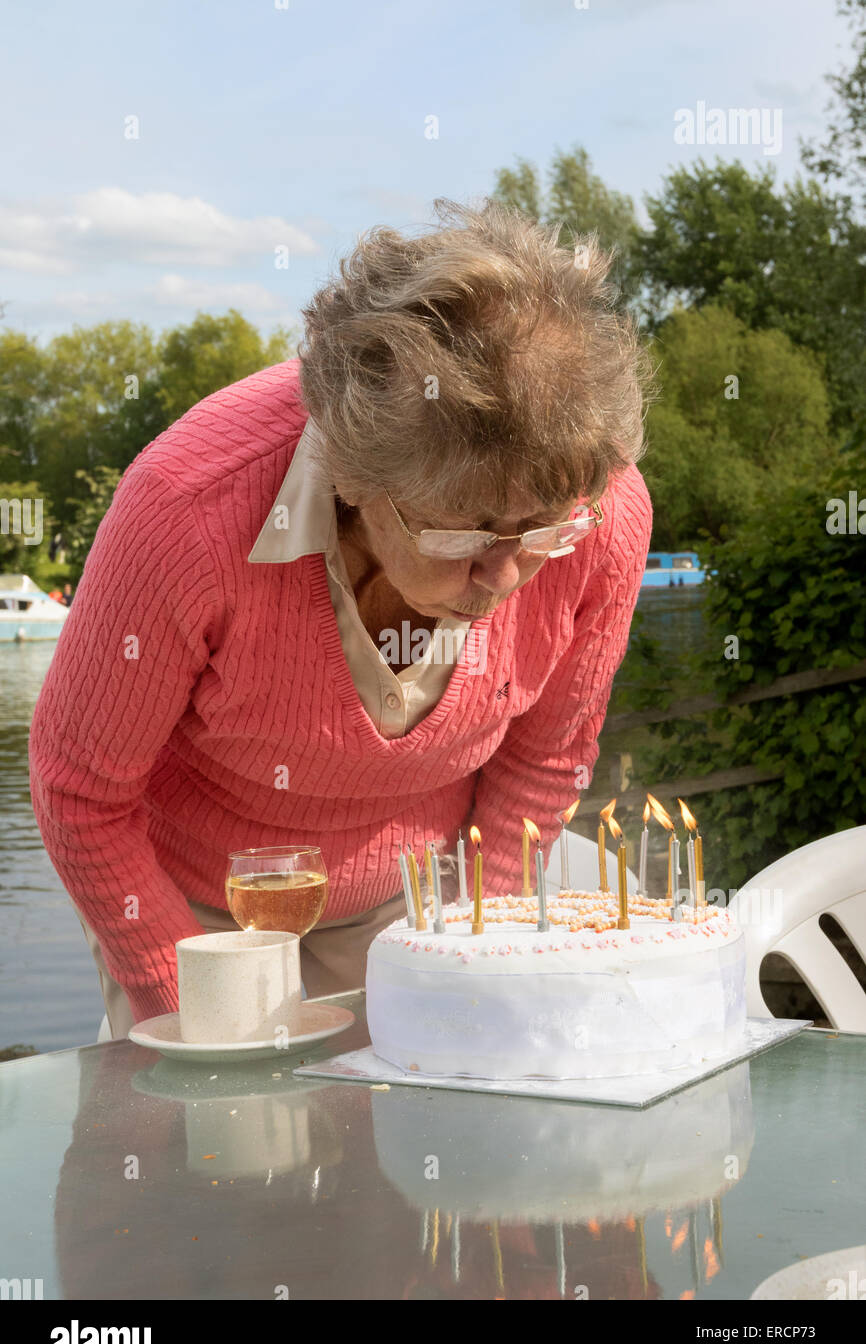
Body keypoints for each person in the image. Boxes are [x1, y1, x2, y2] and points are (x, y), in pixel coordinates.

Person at [28, 198, 653, 1039]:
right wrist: (200, 1009)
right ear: (351, 472)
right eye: (460, 529)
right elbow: (81, 794)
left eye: (539, 528)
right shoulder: (186, 511)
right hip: (206, 917)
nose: (503, 573)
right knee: (218, 1156)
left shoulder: (599, 513)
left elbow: (545, 764)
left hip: (432, 893)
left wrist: (466, 954)